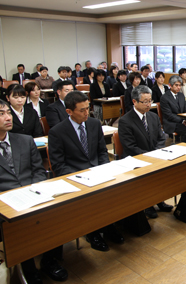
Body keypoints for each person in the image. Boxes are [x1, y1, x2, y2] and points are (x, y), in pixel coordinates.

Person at [0, 98, 68, 284]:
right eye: (0, 114)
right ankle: (28, 269)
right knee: (19, 223)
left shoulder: (25, 141)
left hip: (32, 195)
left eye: (8, 112)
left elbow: (38, 172)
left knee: (58, 212)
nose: (8, 117)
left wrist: (34, 193)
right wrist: (12, 200)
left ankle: (49, 260)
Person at [48, 91, 125, 252]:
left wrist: (104, 168)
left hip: (98, 171)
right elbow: (58, 165)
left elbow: (102, 151)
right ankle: (92, 233)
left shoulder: (94, 124)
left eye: (87, 108)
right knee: (90, 198)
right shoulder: (57, 132)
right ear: (69, 111)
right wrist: (82, 176)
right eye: (81, 110)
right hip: (76, 176)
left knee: (116, 190)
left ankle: (109, 226)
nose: (86, 113)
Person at [118, 85, 173, 218]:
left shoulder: (153, 116)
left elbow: (161, 137)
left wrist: (155, 153)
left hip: (153, 155)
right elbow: (130, 146)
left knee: (164, 171)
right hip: (135, 158)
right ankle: (147, 204)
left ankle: (159, 199)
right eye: (145, 102)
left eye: (150, 101)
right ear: (134, 102)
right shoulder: (125, 121)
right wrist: (149, 156)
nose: (149, 104)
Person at [160, 75, 186, 144]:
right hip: (171, 123)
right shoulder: (164, 97)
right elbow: (169, 115)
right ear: (170, 85)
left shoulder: (181, 95)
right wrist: (182, 120)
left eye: (180, 85)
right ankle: (185, 149)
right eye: (176, 85)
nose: (178, 87)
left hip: (182, 120)